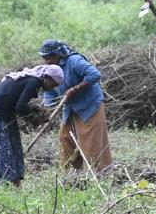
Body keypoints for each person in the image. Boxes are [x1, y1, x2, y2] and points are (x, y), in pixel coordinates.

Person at [0, 64, 64, 185]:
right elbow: (20, 107)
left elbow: (19, 103)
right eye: (53, 84)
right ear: (46, 77)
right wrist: (35, 119)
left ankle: (12, 180)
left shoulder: (33, 81)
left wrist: (35, 111)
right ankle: (0, 181)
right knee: (2, 147)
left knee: (12, 146)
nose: (51, 88)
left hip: (5, 113)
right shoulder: (32, 82)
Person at [39, 39, 113, 172]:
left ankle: (98, 174)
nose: (46, 61)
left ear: (57, 55)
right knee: (65, 137)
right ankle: (72, 174)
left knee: (90, 141)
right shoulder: (48, 68)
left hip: (89, 104)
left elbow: (95, 74)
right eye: (44, 58)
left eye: (48, 57)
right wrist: (47, 107)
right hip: (70, 107)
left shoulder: (74, 61)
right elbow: (49, 89)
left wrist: (75, 89)